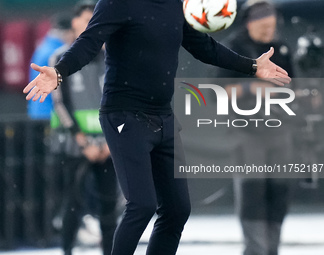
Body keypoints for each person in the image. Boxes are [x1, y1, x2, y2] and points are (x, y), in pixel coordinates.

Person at [23, 0, 291, 254]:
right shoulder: (118, 2)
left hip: (163, 116)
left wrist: (252, 65)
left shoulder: (175, 4)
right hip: (124, 115)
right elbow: (89, 42)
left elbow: (204, 46)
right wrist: (59, 72)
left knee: (177, 209)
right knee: (141, 205)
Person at [216, 1, 294, 254]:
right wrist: (252, 88)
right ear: (249, 22)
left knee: (278, 193)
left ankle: (272, 249)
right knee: (253, 193)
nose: (268, 33)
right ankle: (256, 249)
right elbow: (217, 91)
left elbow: (292, 85)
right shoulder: (234, 48)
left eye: (272, 27)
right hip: (245, 132)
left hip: (279, 131)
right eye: (262, 27)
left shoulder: (280, 47)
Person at [49, 1, 119, 255]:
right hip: (73, 146)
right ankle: (66, 251)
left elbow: (121, 100)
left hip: (109, 146)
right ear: (76, 23)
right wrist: (81, 140)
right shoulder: (60, 58)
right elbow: (60, 103)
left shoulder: (113, 56)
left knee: (109, 208)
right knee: (72, 205)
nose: (90, 26)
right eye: (86, 20)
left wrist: (112, 142)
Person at [28, 12, 74, 119]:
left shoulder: (44, 47)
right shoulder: (56, 53)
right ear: (67, 32)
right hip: (51, 113)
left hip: (38, 110)